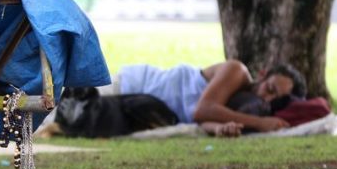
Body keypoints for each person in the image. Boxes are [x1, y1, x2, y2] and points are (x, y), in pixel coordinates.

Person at [109, 60, 306, 137]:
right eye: (269, 88)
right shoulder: (238, 72)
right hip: (134, 84)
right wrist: (261, 123)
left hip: (139, 108)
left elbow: (204, 121)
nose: (266, 98)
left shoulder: (243, 108)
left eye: (275, 99)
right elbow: (202, 110)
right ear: (262, 74)